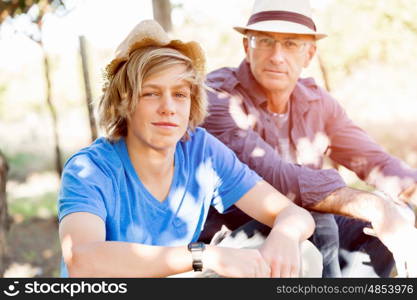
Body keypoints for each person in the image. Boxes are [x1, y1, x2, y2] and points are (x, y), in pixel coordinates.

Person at [57, 19, 321, 278]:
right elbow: (82, 261)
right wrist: (204, 256)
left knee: (301, 253)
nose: (169, 107)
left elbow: (293, 214)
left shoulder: (200, 150)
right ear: (123, 103)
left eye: (180, 94)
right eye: (151, 93)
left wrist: (285, 234)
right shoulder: (90, 168)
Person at [200, 0, 417, 277]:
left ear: (309, 54)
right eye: (265, 41)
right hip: (234, 236)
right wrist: (375, 206)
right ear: (247, 47)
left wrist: (402, 200)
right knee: (321, 217)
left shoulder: (317, 103)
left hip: (304, 230)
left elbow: (375, 162)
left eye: (291, 44)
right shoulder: (218, 97)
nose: (277, 56)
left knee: (396, 216)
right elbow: (276, 178)